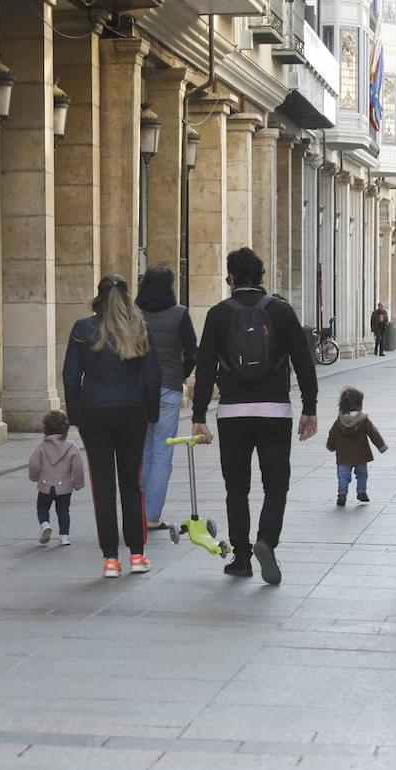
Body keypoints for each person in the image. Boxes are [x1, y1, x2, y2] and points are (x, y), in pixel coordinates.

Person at [191, 247, 318, 585]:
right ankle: (267, 540)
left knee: (236, 487)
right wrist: (310, 408)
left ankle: (242, 558)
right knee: (276, 484)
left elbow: (204, 369)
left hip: (232, 413)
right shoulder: (281, 311)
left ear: (230, 278)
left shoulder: (218, 314)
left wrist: (199, 415)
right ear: (262, 277)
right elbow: (304, 362)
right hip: (275, 412)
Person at [63, 275, 161, 579]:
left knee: (103, 486)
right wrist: (151, 414)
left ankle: (110, 559)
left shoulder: (82, 329)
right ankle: (137, 554)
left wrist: (75, 414)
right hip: (131, 409)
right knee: (132, 484)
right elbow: (152, 377)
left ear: (99, 297)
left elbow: (70, 376)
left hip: (94, 409)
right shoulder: (138, 328)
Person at [135, 264, 198, 531]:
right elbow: (192, 352)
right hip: (168, 387)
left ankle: (137, 512)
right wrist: (180, 375)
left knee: (144, 451)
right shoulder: (179, 313)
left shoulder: (134, 313)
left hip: (137, 388)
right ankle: (151, 516)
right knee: (163, 452)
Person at [27, 410, 84, 547]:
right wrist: (78, 483)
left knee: (42, 506)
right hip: (64, 487)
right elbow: (77, 467)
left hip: (45, 485)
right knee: (63, 511)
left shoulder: (41, 447)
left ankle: (45, 524)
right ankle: (64, 536)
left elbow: (33, 463)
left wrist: (34, 477)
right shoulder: (71, 447)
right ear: (65, 428)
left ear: (45, 428)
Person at [325, 386, 388, 507]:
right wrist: (381, 446)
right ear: (359, 405)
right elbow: (373, 433)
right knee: (362, 474)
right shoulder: (363, 420)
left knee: (343, 475)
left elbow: (332, 435)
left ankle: (342, 494)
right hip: (361, 455)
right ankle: (361, 492)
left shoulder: (339, 422)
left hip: (343, 456)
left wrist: (330, 446)